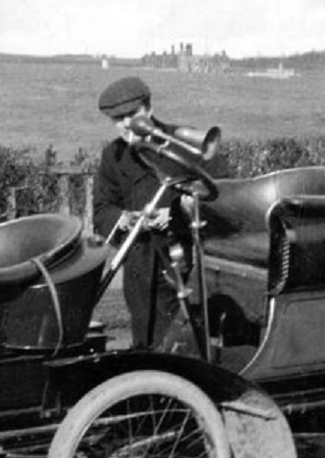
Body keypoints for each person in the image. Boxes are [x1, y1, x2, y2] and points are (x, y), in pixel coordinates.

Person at [92, 76, 227, 350]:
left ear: (149, 109)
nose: (127, 124)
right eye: (118, 119)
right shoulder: (113, 156)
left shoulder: (186, 144)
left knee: (190, 342)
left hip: (188, 260)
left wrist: (176, 214)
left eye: (132, 115)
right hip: (141, 265)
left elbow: (222, 193)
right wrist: (125, 219)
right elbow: (102, 209)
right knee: (148, 343)